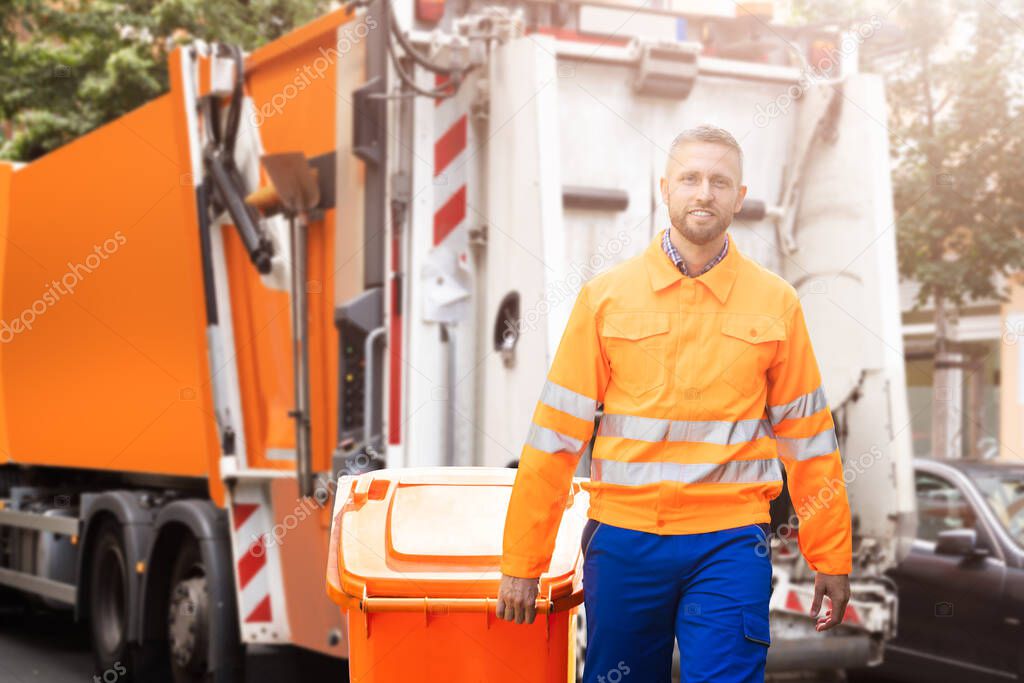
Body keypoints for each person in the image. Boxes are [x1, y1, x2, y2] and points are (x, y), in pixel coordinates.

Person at [495, 125, 852, 682]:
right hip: (624, 539)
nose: (703, 192)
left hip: (731, 543)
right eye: (690, 178)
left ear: (740, 196)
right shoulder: (606, 298)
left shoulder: (775, 303)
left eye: (719, 181)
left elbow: (808, 439)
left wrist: (830, 555)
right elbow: (554, 437)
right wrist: (522, 561)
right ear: (665, 188)